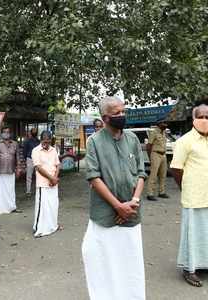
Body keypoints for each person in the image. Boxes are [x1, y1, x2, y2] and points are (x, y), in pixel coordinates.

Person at [82, 96, 147, 300]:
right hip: (105, 214)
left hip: (131, 214)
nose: (122, 116)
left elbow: (141, 173)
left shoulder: (132, 139)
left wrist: (132, 203)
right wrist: (118, 206)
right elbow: (93, 177)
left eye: (123, 111)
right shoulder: (94, 142)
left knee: (131, 263)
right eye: (116, 113)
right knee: (102, 262)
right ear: (105, 118)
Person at [170, 101, 208, 287]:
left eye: (207, 117)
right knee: (192, 233)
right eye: (200, 117)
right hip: (193, 196)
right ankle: (189, 269)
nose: (204, 120)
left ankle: (204, 264)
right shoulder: (184, 141)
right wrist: (187, 188)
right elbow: (176, 169)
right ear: (193, 119)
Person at [31, 130, 61, 238]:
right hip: (43, 183)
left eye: (48, 142)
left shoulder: (53, 150)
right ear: (41, 140)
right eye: (44, 141)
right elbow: (38, 168)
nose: (46, 144)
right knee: (42, 206)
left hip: (53, 183)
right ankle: (39, 228)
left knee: (53, 205)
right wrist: (51, 178)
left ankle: (53, 225)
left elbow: (58, 165)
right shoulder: (36, 150)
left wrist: (55, 178)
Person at [0, 126, 21, 214]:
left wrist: (18, 168)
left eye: (8, 132)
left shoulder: (15, 144)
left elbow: (18, 157)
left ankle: (12, 207)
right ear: (1, 134)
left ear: (10, 133)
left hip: (11, 170)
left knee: (11, 190)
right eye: (4, 132)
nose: (6, 133)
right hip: (0, 170)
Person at [146, 119, 170, 201]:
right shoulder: (154, 132)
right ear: (159, 124)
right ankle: (150, 193)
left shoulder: (163, 133)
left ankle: (161, 192)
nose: (165, 125)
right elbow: (149, 145)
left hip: (163, 155)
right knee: (153, 174)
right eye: (163, 123)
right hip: (155, 154)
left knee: (163, 174)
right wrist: (150, 157)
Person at [23, 128, 40, 196]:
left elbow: (25, 151)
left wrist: (26, 158)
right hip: (31, 159)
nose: (34, 133)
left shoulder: (28, 141)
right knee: (32, 176)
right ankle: (29, 191)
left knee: (32, 176)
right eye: (34, 131)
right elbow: (25, 151)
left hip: (32, 159)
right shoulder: (37, 141)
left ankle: (31, 191)